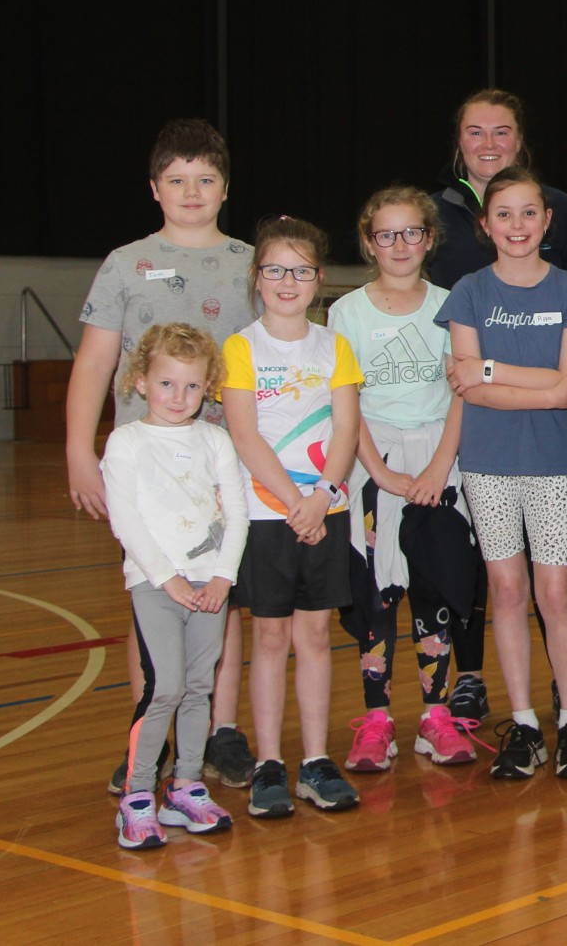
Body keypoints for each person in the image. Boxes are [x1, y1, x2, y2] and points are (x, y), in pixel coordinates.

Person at [66, 118, 256, 795]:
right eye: (176, 179)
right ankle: (152, 729)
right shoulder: (125, 262)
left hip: (223, 464)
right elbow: (94, 362)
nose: (191, 190)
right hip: (147, 473)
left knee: (220, 601)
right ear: (154, 188)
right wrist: (77, 450)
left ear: (225, 187)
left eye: (205, 179)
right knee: (151, 595)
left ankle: (219, 731)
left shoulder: (249, 261)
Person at [428, 89, 567, 727]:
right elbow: (473, 383)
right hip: (484, 456)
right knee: (502, 587)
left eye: (527, 213)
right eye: (503, 214)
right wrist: (522, 382)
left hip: (553, 458)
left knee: (554, 588)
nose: (515, 224)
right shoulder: (467, 287)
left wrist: (488, 371)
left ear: (545, 218)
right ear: (487, 224)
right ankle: (522, 716)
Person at [325, 187, 478, 771]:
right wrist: (381, 471)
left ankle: (435, 716)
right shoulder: (346, 312)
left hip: (440, 461)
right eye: (386, 234)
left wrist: (440, 465)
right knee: (376, 595)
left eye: (412, 232)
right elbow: (348, 402)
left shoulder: (451, 304)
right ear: (369, 242)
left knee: (432, 587)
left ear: (430, 238)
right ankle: (376, 720)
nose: (400, 244)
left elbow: (462, 391)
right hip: (372, 463)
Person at [222, 216, 363, 818]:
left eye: (300, 271)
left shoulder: (334, 346)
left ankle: (313, 760)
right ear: (258, 278)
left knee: (314, 636)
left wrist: (321, 496)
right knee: (271, 636)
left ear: (318, 279)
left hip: (323, 511)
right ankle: (270, 762)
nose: (288, 281)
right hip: (264, 516)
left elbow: (347, 428)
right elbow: (245, 435)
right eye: (276, 269)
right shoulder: (240, 346)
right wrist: (289, 503)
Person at [102, 323, 250, 849]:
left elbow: (236, 511)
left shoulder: (214, 440)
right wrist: (166, 579)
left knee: (198, 688)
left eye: (191, 386)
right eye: (166, 384)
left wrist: (222, 576)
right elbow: (126, 519)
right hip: (155, 584)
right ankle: (138, 795)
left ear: (207, 386)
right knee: (163, 687)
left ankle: (185, 786)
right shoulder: (127, 442)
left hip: (209, 585)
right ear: (141, 381)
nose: (178, 397)